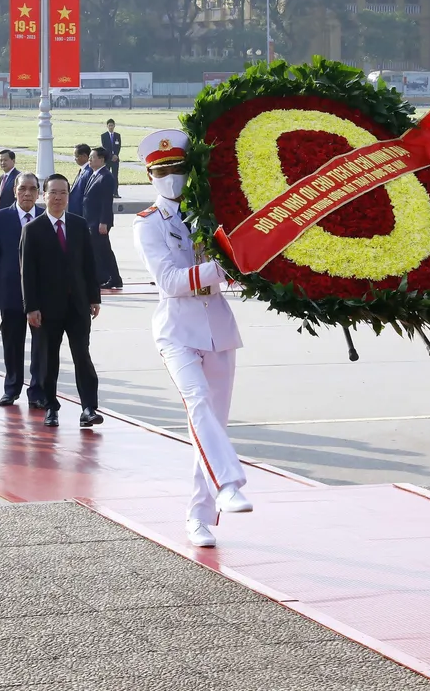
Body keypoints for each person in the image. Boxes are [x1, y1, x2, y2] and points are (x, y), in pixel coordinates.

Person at [133, 129, 250, 549]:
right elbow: (169, 281)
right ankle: (230, 482)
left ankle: (199, 516)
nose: (171, 178)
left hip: (217, 328)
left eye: (178, 169)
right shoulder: (147, 224)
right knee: (197, 403)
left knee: (213, 423)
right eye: (162, 171)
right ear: (149, 176)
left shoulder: (210, 215)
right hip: (177, 331)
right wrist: (225, 268)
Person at [20, 173, 103, 428]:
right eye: (53, 193)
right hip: (46, 309)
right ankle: (50, 407)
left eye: (63, 193)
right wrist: (31, 307)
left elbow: (89, 264)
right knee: (48, 360)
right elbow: (27, 272)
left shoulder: (79, 225)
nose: (57, 198)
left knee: (82, 356)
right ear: (44, 196)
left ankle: (89, 407)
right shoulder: (32, 229)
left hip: (77, 306)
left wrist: (93, 297)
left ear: (68, 196)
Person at [0, 172, 44, 407]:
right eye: (23, 188)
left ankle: (38, 391)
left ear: (39, 192)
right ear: (15, 191)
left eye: (33, 189)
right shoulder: (0, 218)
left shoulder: (46, 217)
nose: (27, 193)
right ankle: (11, 388)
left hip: (41, 296)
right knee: (12, 344)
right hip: (10, 294)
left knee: (42, 345)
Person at [84, 147, 122, 290]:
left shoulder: (106, 176)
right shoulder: (94, 174)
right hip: (91, 220)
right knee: (100, 250)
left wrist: (103, 222)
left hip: (99, 222)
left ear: (101, 159)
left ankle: (114, 278)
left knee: (104, 250)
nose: (90, 159)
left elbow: (106, 202)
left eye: (92, 157)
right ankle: (109, 277)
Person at [68, 144, 91, 217]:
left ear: (84, 156)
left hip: (81, 213)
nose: (75, 159)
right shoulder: (83, 170)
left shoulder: (89, 171)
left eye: (76, 156)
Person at [101, 119, 122, 197]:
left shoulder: (117, 135)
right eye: (109, 126)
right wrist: (111, 156)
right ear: (107, 126)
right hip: (108, 159)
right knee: (106, 176)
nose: (111, 127)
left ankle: (115, 193)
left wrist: (116, 155)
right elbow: (105, 147)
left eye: (112, 125)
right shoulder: (104, 136)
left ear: (114, 126)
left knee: (115, 176)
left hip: (116, 159)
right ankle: (107, 193)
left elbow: (118, 146)